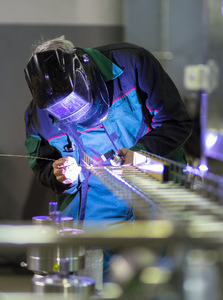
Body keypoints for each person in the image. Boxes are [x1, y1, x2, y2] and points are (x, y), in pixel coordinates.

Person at [23, 36, 192, 278]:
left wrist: (141, 154)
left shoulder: (132, 65)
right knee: (95, 282)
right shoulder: (38, 117)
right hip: (94, 213)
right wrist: (60, 175)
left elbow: (177, 122)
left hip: (154, 198)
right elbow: (42, 166)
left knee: (159, 281)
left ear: (84, 71)